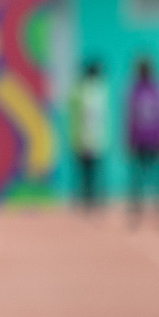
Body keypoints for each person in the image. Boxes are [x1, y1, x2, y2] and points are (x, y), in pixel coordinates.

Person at [126, 57, 159, 226]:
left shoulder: (157, 89)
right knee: (137, 179)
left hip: (155, 139)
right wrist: (129, 140)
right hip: (139, 140)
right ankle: (137, 211)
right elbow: (130, 117)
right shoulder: (134, 90)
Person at [69, 60, 109, 212]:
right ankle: (88, 201)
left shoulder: (84, 89)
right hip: (89, 139)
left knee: (89, 174)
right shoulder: (95, 90)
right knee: (88, 173)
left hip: (89, 139)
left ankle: (90, 201)